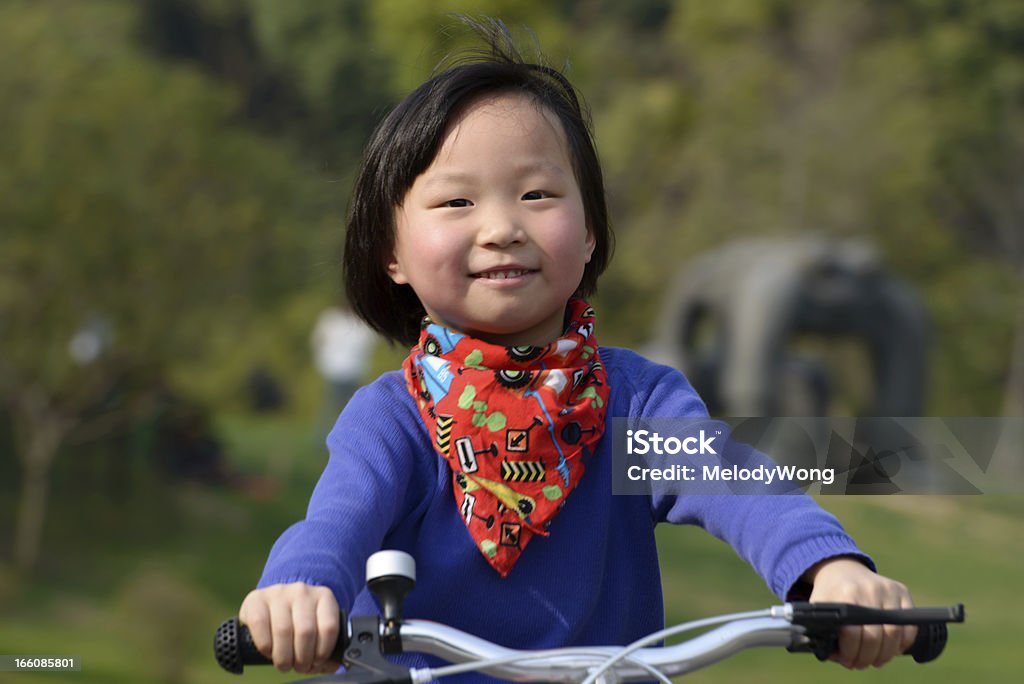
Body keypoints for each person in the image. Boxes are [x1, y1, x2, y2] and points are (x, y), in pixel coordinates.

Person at [239, 18, 916, 679]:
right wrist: (298, 591)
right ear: (390, 252)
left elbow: (736, 481)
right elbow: (337, 520)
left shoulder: (638, 405)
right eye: (456, 203)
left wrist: (827, 568)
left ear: (589, 231)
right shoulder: (391, 418)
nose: (502, 227)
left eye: (537, 194)